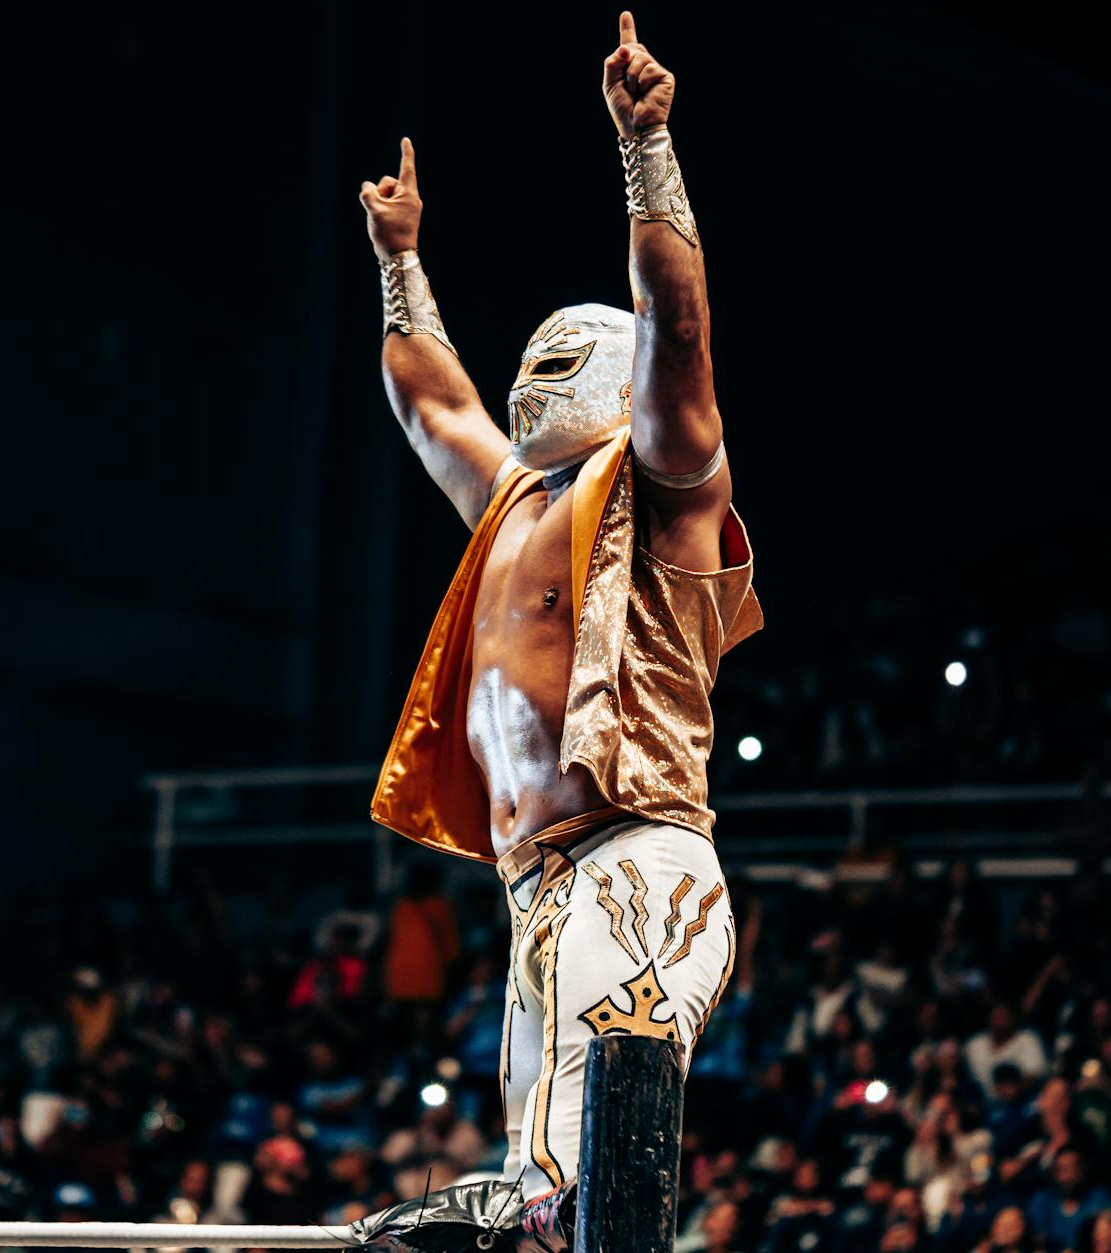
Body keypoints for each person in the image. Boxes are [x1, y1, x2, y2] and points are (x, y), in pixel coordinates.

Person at [350, 11, 762, 1250]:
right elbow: (435, 402)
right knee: (546, 1194)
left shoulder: (663, 487)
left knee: (561, 1191)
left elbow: (678, 327)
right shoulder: (520, 502)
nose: (538, 364)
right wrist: (399, 261)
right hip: (540, 888)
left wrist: (647, 148)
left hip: (635, 856)